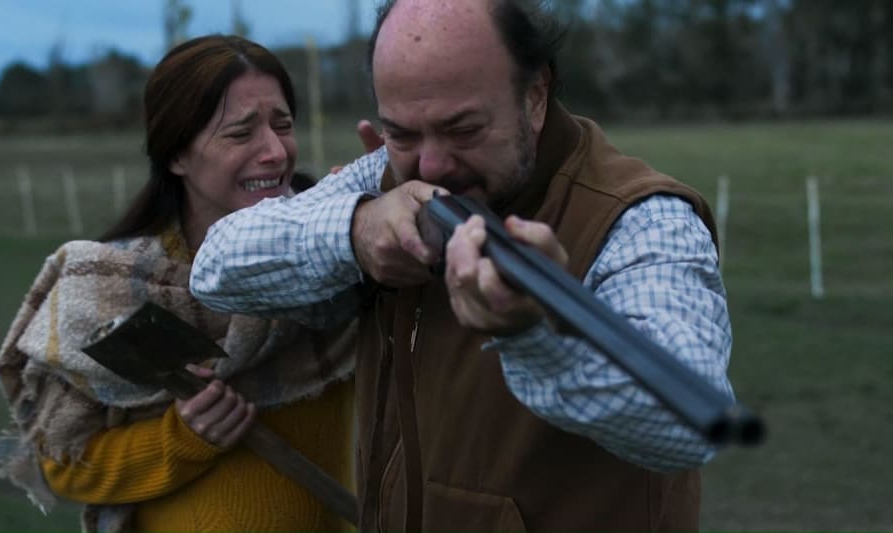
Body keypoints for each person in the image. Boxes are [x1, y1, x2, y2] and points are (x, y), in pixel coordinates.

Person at [191, 1, 738, 531]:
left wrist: (534, 336)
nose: (431, 165)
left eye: (464, 129)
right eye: (401, 132)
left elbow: (691, 423)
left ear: (536, 96)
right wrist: (356, 231)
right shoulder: (386, 176)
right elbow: (216, 266)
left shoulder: (643, 217)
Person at [0, 35, 357, 533]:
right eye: (240, 132)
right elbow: (63, 461)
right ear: (177, 154)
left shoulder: (338, 261)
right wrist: (182, 438)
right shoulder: (109, 288)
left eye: (283, 125)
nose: (274, 151)